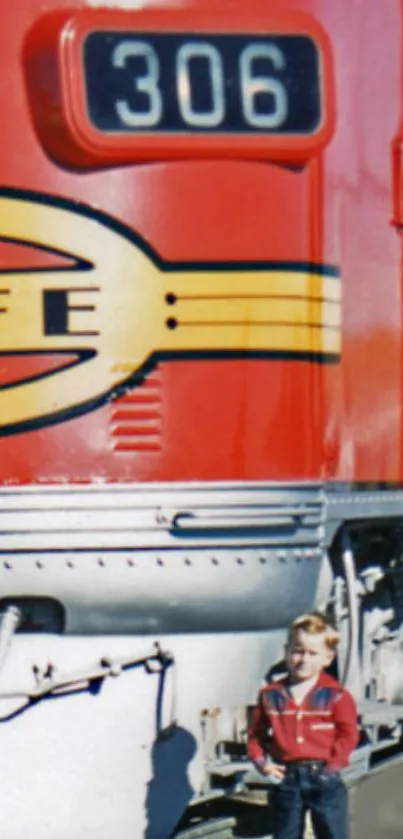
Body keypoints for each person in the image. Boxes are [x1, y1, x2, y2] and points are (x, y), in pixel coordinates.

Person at [247, 612, 359, 839]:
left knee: (332, 833)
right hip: (286, 777)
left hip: (323, 776)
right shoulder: (271, 696)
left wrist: (333, 768)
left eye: (313, 653)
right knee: (286, 833)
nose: (304, 659)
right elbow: (255, 734)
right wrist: (262, 763)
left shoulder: (336, 696)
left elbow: (348, 734)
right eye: (298, 650)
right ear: (287, 651)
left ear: (328, 658)